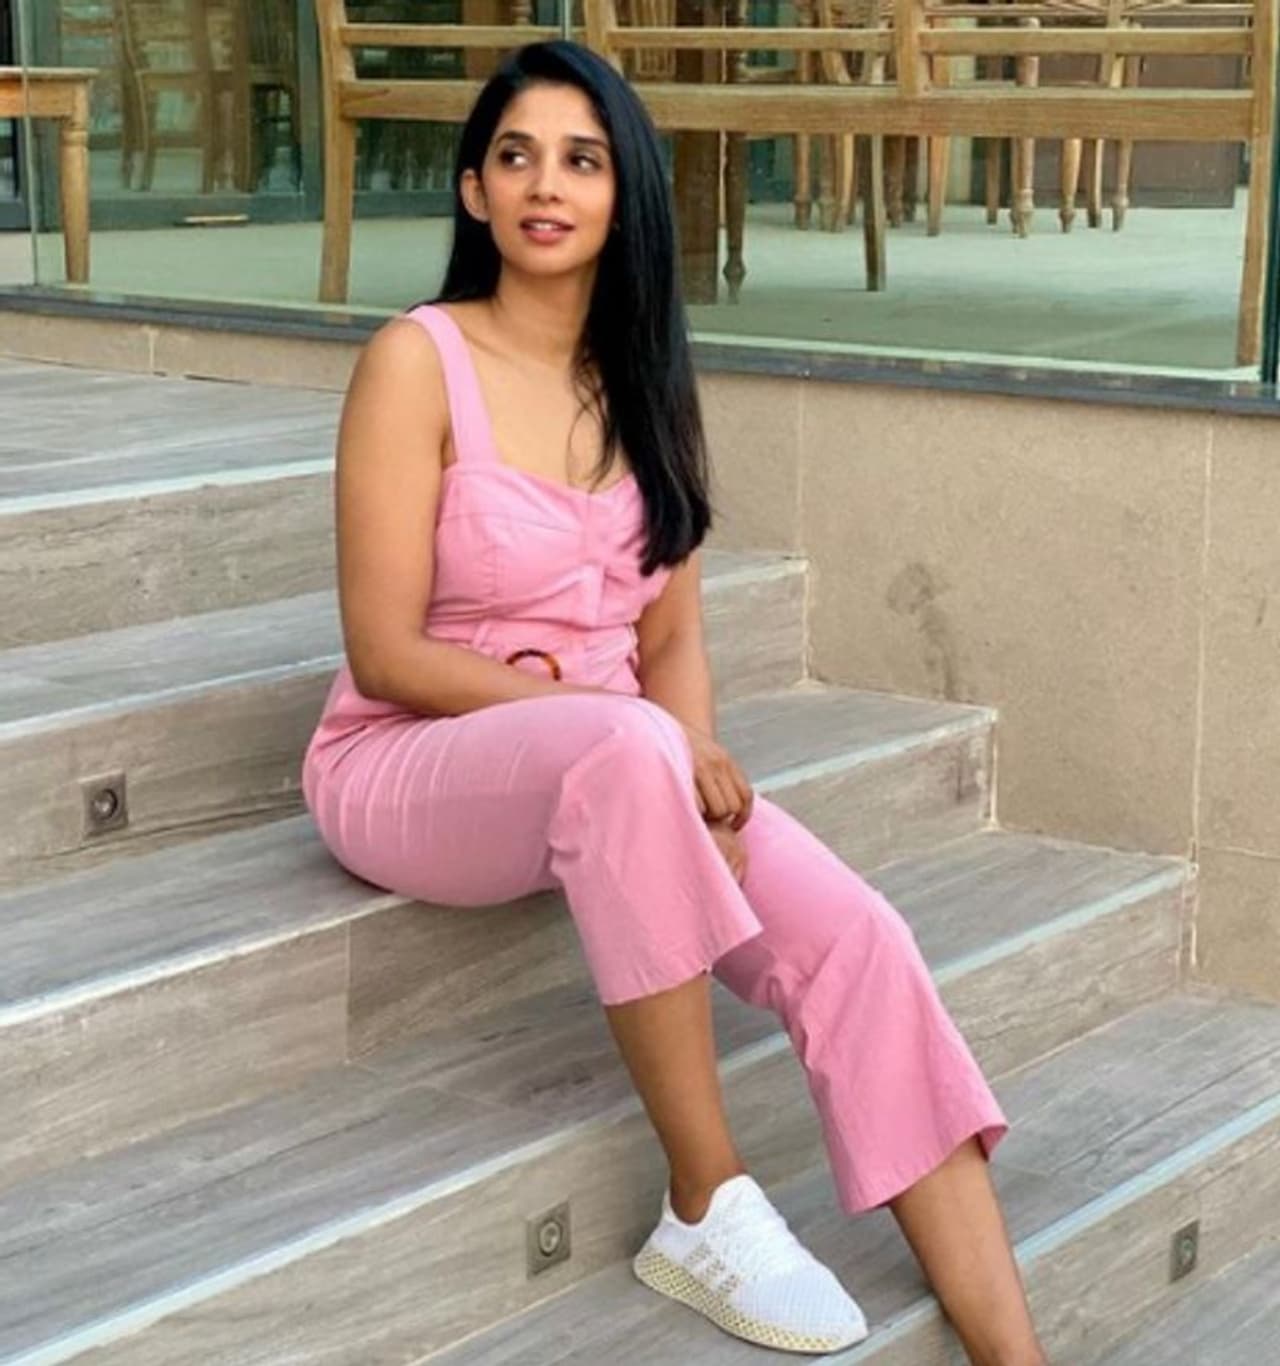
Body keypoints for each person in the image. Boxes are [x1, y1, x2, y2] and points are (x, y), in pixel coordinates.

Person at [300, 38, 1048, 1365]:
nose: (547, 184)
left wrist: (688, 750)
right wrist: (645, 737)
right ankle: (705, 1200)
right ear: (473, 190)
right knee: (620, 748)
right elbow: (384, 652)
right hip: (411, 760)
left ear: (623, 192)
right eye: (516, 156)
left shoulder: (647, 383)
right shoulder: (418, 360)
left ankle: (1016, 1355)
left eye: (582, 160)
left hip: (619, 764)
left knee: (861, 940)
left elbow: (674, 631)